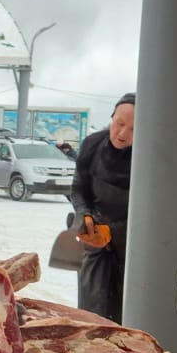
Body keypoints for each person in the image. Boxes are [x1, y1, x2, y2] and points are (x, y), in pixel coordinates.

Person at [69, 93, 134, 322]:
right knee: (92, 313)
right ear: (112, 117)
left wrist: (116, 231)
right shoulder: (92, 145)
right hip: (96, 241)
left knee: (127, 315)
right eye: (119, 124)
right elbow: (78, 189)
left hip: (132, 248)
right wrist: (85, 215)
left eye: (133, 130)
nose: (122, 134)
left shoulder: (149, 158)